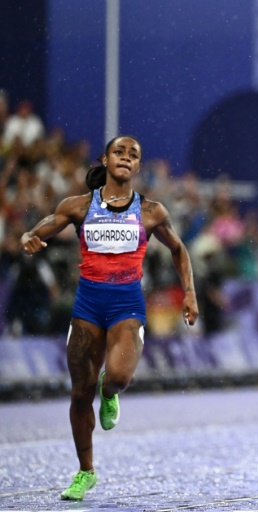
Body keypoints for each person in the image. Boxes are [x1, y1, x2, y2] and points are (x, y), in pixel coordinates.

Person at [19, 135, 198, 500]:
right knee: (79, 395)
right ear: (105, 159)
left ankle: (110, 390)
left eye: (134, 155)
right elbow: (42, 228)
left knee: (117, 376)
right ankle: (86, 472)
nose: (126, 158)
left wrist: (190, 293)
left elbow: (179, 250)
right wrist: (28, 237)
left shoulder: (151, 212)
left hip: (126, 305)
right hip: (87, 306)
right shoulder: (79, 206)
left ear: (137, 167)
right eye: (120, 152)